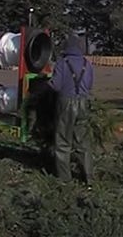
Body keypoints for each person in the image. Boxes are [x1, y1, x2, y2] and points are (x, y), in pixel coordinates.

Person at [49, 34, 94, 184]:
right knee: (83, 142)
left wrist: (46, 83)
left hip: (66, 103)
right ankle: (88, 178)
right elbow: (89, 85)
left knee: (63, 142)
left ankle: (65, 179)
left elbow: (56, 86)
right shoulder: (87, 64)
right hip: (83, 104)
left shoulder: (62, 62)